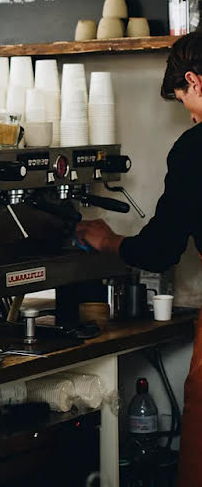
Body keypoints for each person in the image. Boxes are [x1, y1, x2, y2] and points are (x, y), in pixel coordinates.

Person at [75, 31, 202, 487]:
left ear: (194, 80)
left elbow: (159, 250)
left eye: (185, 101)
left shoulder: (195, 147)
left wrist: (108, 240)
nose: (191, 115)